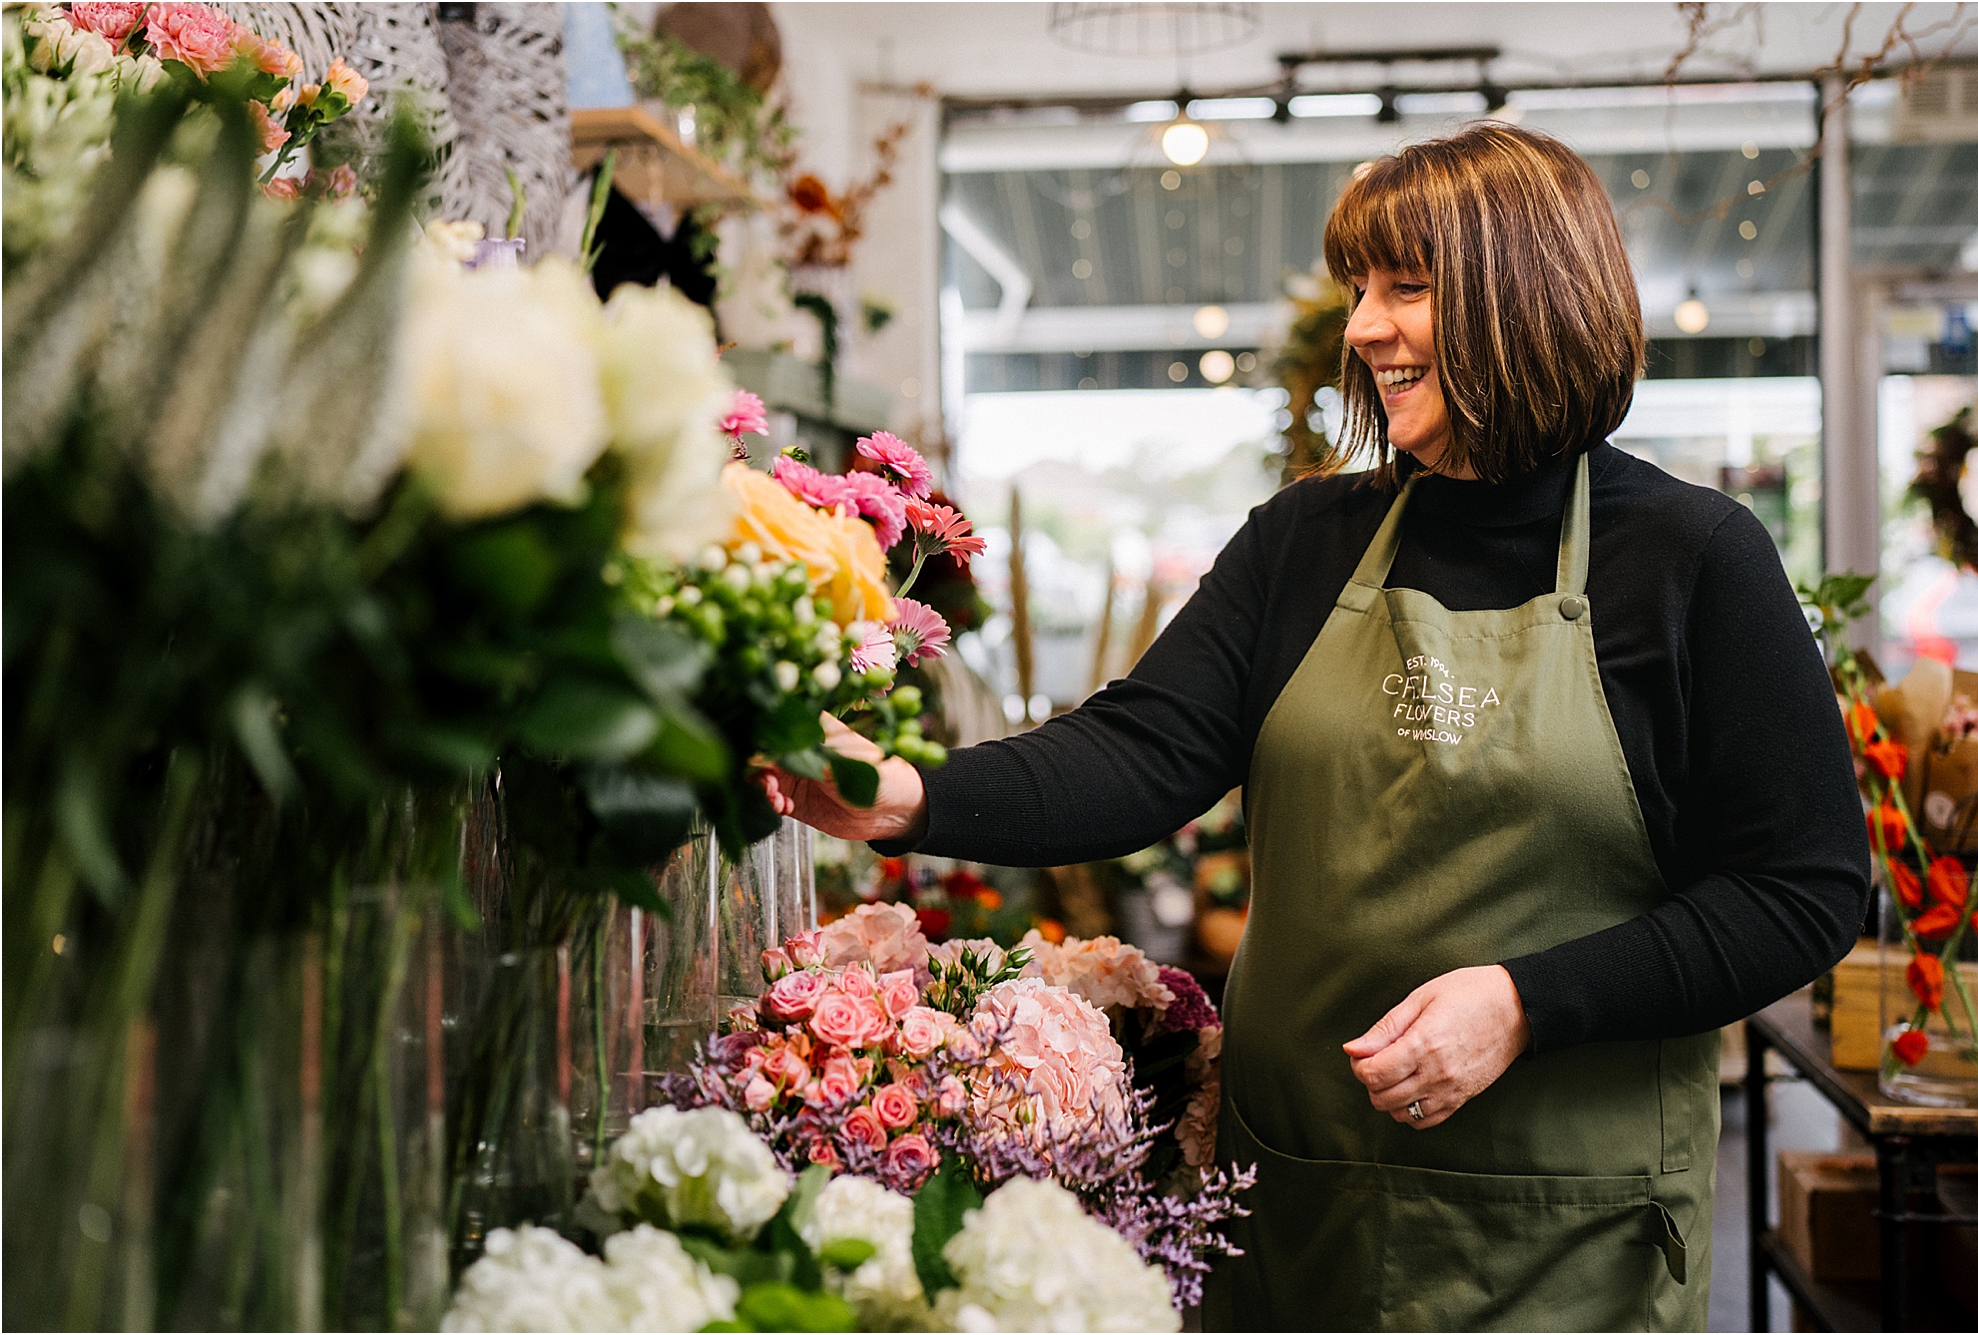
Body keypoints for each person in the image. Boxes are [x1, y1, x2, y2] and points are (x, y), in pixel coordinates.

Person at [770, 122, 1867, 1331]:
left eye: (1405, 288)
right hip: (1290, 1208)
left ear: (1525, 300)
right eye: (1358, 289)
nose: (1360, 327)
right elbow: (1141, 751)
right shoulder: (1304, 541)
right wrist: (912, 795)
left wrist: (1524, 1001)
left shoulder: (1692, 560)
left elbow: (1799, 890)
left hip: (1562, 1232)